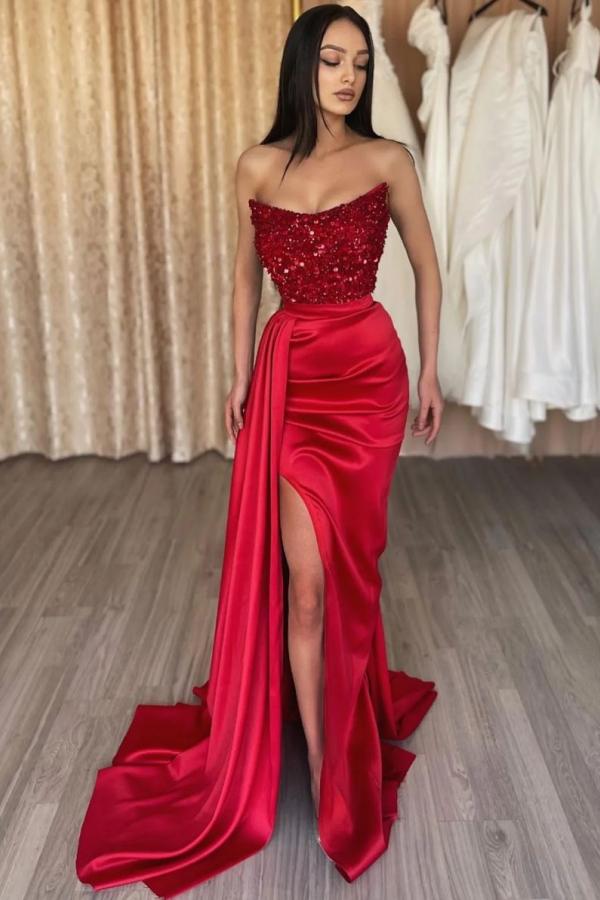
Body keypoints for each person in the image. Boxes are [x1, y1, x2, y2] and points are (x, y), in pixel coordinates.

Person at [75, 6, 442, 897]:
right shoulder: (254, 164)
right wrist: (238, 372)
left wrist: (432, 371)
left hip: (368, 377)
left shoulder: (388, 160)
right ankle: (321, 762)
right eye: (333, 60)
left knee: (352, 567)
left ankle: (345, 709)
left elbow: (429, 267)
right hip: (292, 381)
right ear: (302, 66)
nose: (349, 77)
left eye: (360, 63)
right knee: (305, 584)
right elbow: (245, 278)